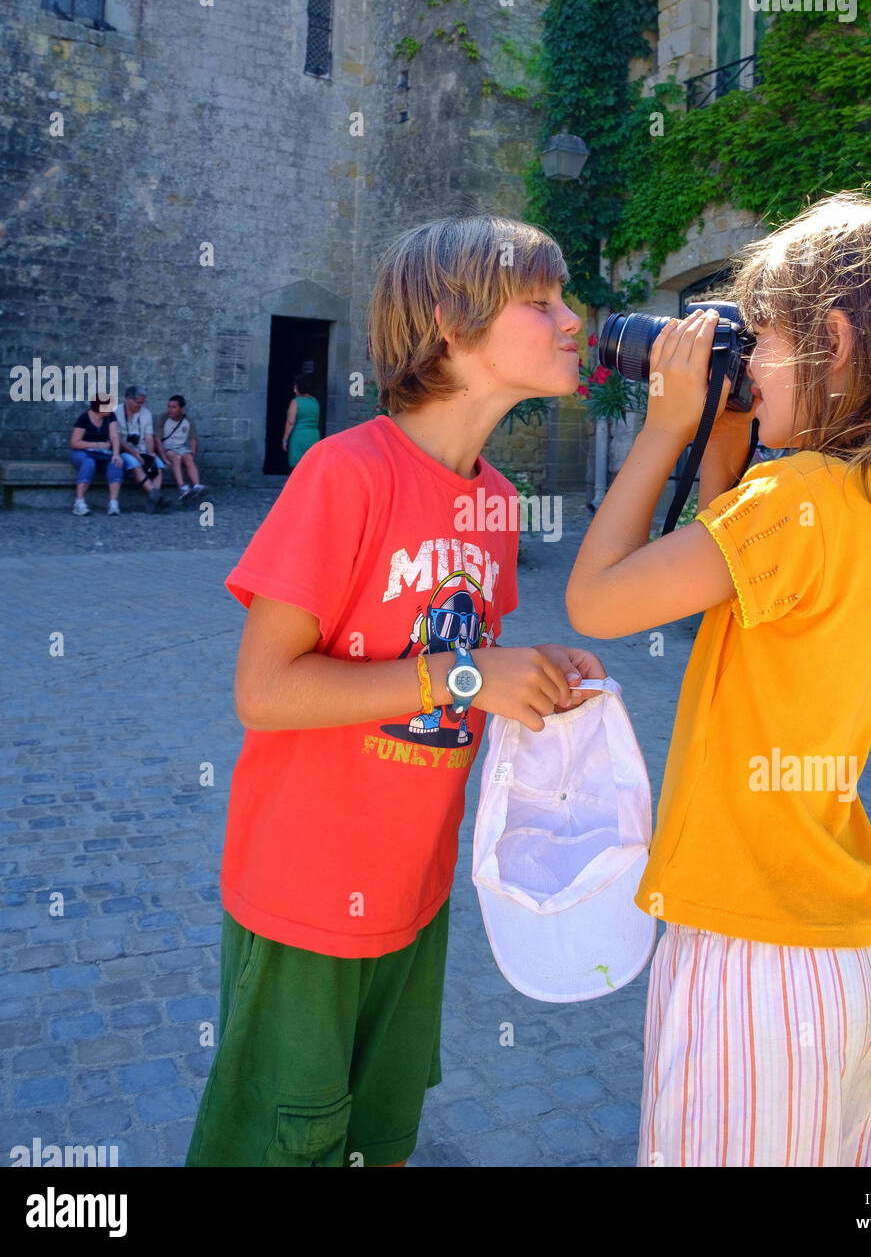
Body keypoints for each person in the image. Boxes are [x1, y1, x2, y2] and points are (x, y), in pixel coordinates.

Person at [565, 191, 871, 1168]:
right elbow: (752, 598)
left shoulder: (794, 499)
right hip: (859, 958)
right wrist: (727, 449)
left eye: (759, 342)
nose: (747, 365)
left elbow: (595, 600)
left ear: (831, 343)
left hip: (753, 966)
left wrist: (667, 427)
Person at [185, 215, 606, 1168]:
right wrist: (467, 674)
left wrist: (529, 680)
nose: (573, 318)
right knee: (280, 1143)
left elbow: (450, 670)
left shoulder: (496, 501)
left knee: (378, 1138)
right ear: (452, 331)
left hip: (414, 895)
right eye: (541, 303)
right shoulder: (346, 472)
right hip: (301, 895)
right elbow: (263, 690)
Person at [69, 392, 125, 516]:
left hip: (103, 453)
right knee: (89, 462)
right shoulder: (84, 418)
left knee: (116, 463)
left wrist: (116, 454)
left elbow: (114, 436)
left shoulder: (110, 417)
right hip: (82, 452)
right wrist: (97, 445)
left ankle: (113, 503)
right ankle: (79, 503)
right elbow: (74, 442)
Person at [114, 385, 168, 512]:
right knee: (134, 464)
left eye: (142, 403)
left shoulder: (146, 413)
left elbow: (149, 437)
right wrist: (133, 453)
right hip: (125, 450)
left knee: (158, 466)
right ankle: (158, 499)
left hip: (142, 449)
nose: (140, 406)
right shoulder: (116, 413)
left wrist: (151, 453)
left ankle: (154, 500)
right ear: (128, 399)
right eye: (138, 403)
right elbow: (117, 439)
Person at [154, 394, 209, 506]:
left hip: (181, 447)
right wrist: (164, 458)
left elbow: (193, 439)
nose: (170, 409)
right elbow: (158, 440)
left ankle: (196, 486)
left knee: (188, 457)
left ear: (182, 409)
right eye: (169, 406)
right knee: (175, 457)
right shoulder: (162, 419)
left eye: (174, 407)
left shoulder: (188, 421)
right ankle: (182, 487)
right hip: (167, 447)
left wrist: (192, 454)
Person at [281, 373, 321, 470]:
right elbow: (317, 419)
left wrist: (285, 439)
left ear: (297, 387)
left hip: (299, 437)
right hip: (313, 436)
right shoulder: (314, 401)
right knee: (311, 466)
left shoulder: (295, 402)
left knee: (297, 467)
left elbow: (290, 422)